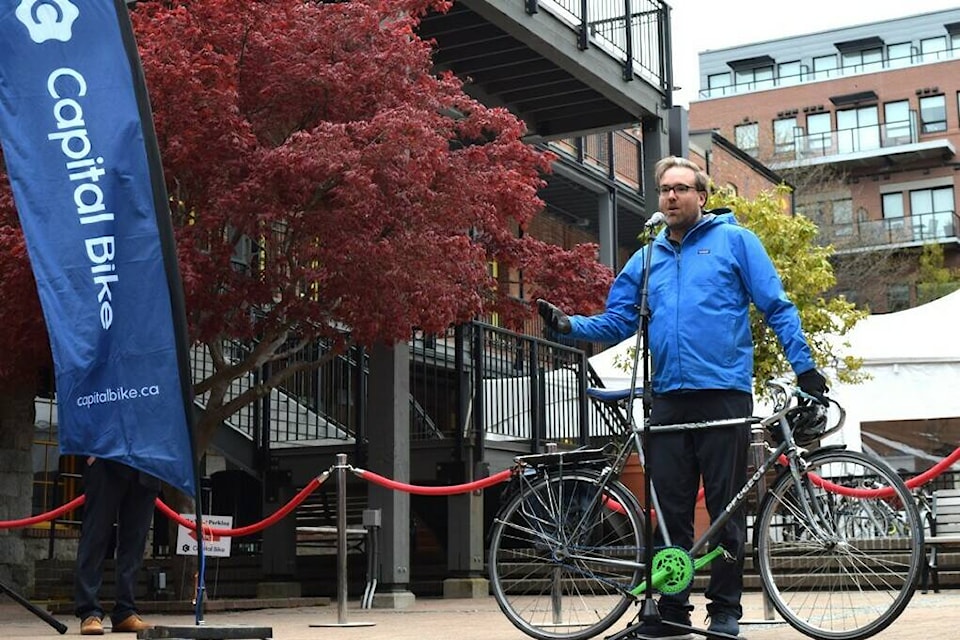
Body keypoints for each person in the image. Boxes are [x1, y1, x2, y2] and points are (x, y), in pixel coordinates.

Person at [538, 155, 827, 640]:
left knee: (726, 508)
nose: (671, 196)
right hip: (667, 398)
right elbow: (618, 321)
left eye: (681, 189)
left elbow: (776, 306)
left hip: (723, 395)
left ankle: (725, 610)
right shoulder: (646, 257)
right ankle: (671, 613)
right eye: (665, 189)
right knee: (669, 510)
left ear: (702, 196)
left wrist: (807, 368)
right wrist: (569, 326)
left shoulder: (735, 242)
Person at [75, 457, 159, 635]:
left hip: (147, 463)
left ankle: (125, 610)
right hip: (107, 457)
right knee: (95, 536)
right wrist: (90, 453)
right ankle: (89, 611)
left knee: (135, 541)